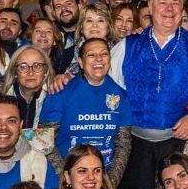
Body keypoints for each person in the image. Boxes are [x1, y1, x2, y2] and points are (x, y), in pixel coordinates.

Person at [109, 0, 188, 189]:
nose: (169, 9)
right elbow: (110, 89)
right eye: (162, 3)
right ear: (150, 9)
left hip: (177, 144)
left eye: (175, 3)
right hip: (134, 145)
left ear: (183, 10)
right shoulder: (128, 45)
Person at [38, 38, 125, 166]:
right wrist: (66, 176)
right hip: (64, 176)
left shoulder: (121, 95)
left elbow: (123, 145)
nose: (99, 58)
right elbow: (43, 140)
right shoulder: (59, 92)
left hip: (103, 177)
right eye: (91, 55)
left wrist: (109, 181)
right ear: (80, 62)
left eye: (104, 54)